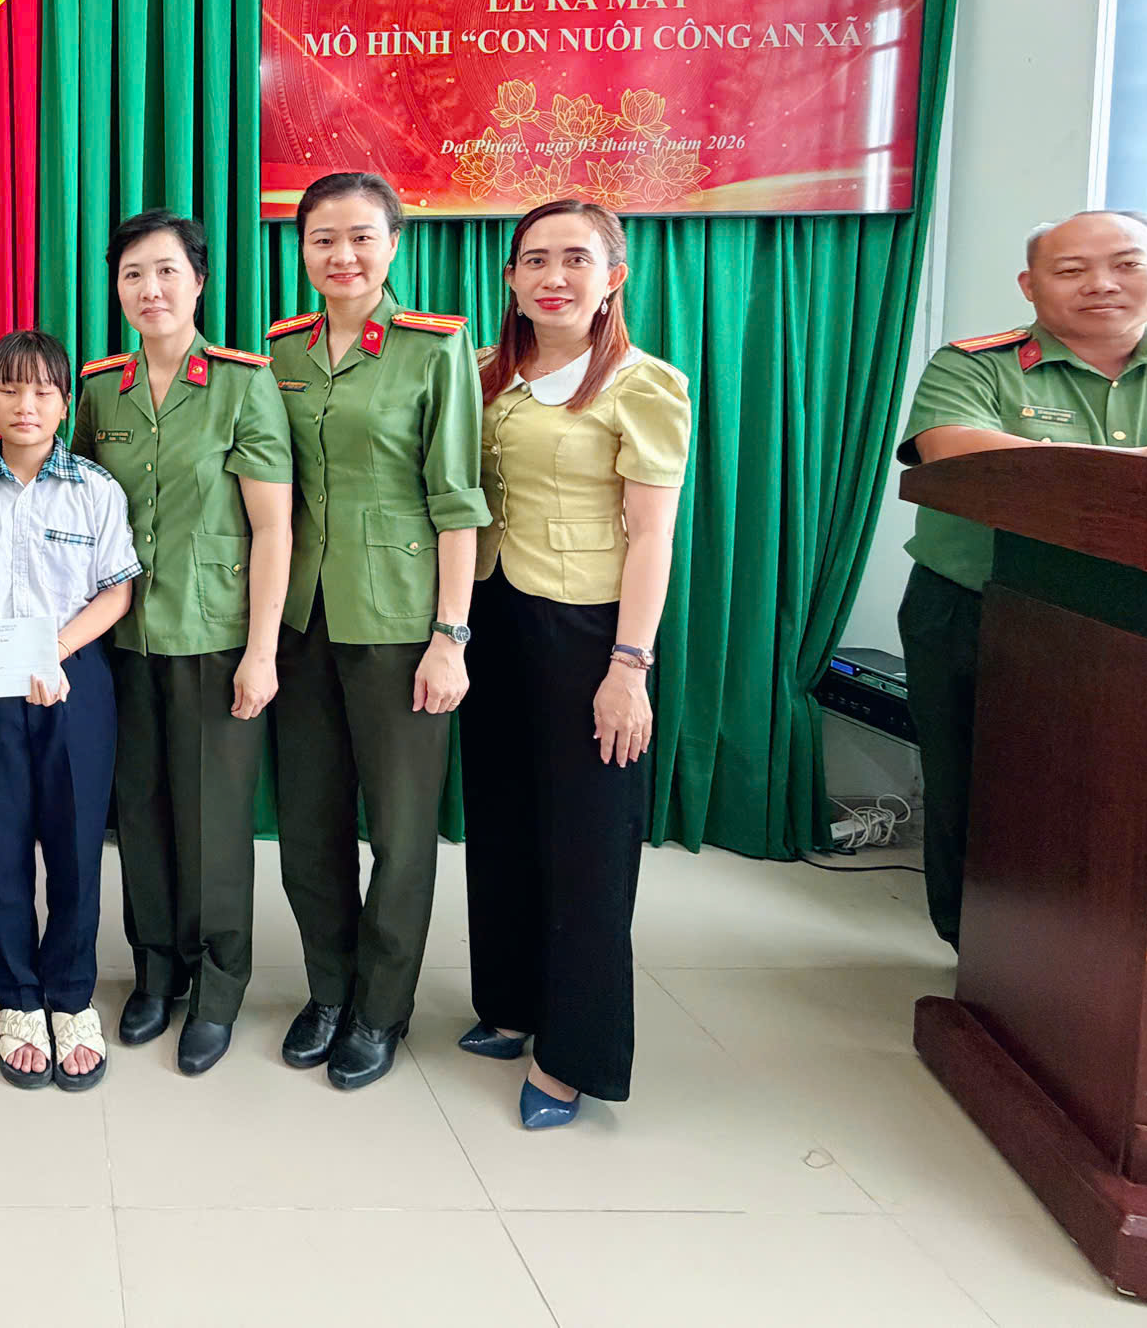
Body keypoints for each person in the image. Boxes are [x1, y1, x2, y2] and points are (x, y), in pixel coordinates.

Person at [896, 209, 1147, 948]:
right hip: (982, 610)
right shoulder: (978, 365)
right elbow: (952, 448)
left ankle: (1133, 963)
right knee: (978, 788)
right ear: (1030, 285)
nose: (1101, 284)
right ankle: (979, 958)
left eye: (1126, 264)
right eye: (1072, 270)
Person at [459, 199, 690, 1130]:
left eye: (576, 260)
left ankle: (572, 1054)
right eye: (534, 260)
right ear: (510, 277)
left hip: (589, 631)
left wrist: (629, 666)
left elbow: (652, 537)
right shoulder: (486, 374)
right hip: (493, 615)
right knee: (504, 822)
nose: (553, 277)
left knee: (587, 845)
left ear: (613, 278)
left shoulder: (644, 384)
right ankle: (511, 1004)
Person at [266, 170, 488, 1090]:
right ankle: (329, 988)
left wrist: (450, 636)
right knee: (308, 823)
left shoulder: (435, 348)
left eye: (361, 237)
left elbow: (458, 502)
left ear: (394, 244)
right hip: (301, 621)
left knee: (399, 832)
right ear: (302, 249)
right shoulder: (279, 350)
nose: (343, 256)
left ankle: (380, 1008)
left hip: (400, 625)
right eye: (323, 239)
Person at [75, 210, 292, 1076]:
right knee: (142, 813)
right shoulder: (101, 390)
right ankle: (155, 972)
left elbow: (273, 528)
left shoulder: (243, 384)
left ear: (199, 281)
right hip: (125, 640)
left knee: (213, 823)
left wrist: (262, 651)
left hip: (216, 639)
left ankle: (218, 987)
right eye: (133, 274)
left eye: (167, 271)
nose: (150, 289)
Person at [0, 331, 139, 1089]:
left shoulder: (95, 488)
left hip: (72, 680)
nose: (27, 405)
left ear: (65, 404)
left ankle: (72, 996)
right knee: (1, 847)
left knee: (77, 846)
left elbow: (116, 592)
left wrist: (54, 650)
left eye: (43, 391)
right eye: (10, 389)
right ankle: (19, 996)